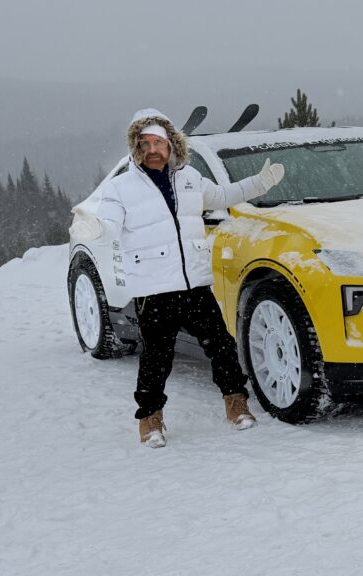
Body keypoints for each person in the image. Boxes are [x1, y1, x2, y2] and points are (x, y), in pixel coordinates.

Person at [70, 108, 284, 448]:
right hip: (155, 288)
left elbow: (223, 196)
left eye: (159, 142)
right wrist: (93, 227)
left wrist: (259, 183)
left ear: (171, 146)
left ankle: (235, 403)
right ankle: (150, 419)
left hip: (194, 283)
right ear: (136, 148)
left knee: (222, 346)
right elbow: (108, 223)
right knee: (157, 357)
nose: (153, 149)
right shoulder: (120, 188)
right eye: (145, 143)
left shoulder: (190, 179)